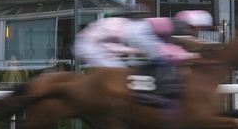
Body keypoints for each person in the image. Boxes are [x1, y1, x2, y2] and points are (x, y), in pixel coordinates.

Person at [74, 11, 213, 100]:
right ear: (193, 23)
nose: (198, 31)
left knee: (126, 72)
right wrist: (187, 55)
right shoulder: (172, 24)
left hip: (93, 43)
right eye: (199, 28)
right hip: (89, 45)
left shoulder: (169, 24)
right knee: (119, 77)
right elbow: (163, 48)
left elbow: (161, 45)